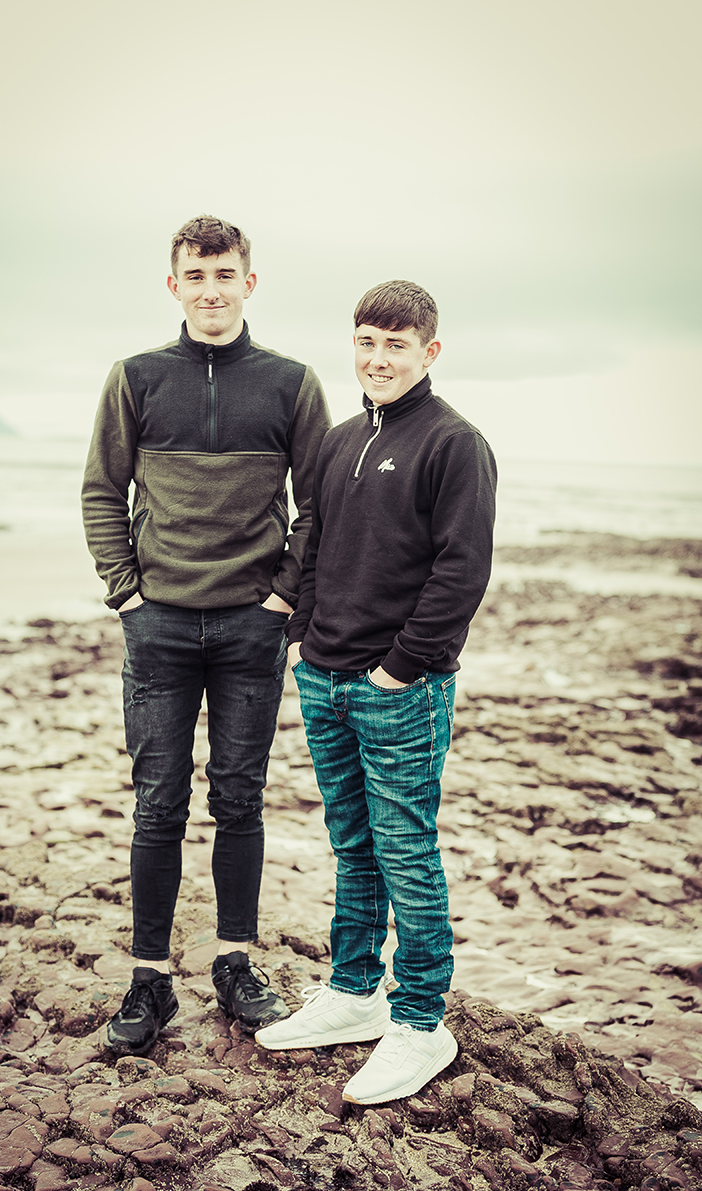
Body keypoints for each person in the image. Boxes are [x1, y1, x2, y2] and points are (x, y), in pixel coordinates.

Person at [81, 215, 331, 1055]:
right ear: (174, 284)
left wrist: (281, 599)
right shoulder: (137, 377)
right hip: (156, 628)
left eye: (226, 275)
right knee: (157, 804)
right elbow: (100, 491)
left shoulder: (292, 384)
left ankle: (234, 963)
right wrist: (126, 593)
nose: (211, 290)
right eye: (197, 275)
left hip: (248, 630)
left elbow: (319, 504)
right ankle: (149, 979)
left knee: (240, 800)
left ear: (248, 283)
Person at [256, 280, 496, 1105]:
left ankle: (421, 1024)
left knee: (406, 850)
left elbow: (461, 572)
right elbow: (313, 536)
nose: (378, 358)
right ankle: (354, 993)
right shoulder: (340, 436)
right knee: (353, 845)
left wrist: (401, 666)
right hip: (325, 676)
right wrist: (301, 641)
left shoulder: (455, 443)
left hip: (400, 688)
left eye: (396, 345)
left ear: (428, 352)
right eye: (366, 342)